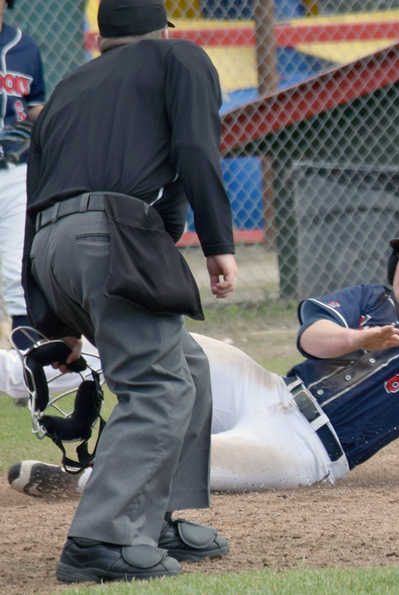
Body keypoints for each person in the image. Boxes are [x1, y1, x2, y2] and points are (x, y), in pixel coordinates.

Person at [7, 214, 399, 498]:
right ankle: (25, 364)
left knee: (195, 458)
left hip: (305, 449)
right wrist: (365, 338)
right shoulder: (369, 300)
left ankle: (77, 483)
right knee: (173, 345)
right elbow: (311, 342)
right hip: (272, 393)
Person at [22, 0, 238, 584]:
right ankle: (102, 538)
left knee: (186, 364)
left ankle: (150, 520)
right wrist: (220, 243)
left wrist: (52, 315)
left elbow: (37, 190)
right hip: (106, 236)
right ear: (164, 30)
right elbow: (196, 150)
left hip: (50, 245)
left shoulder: (69, 86)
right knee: (160, 386)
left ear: (101, 39)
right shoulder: (179, 57)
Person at [0, 0, 45, 350]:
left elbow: (36, 106)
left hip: (15, 171)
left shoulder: (25, 46)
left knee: (19, 277)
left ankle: (31, 373)